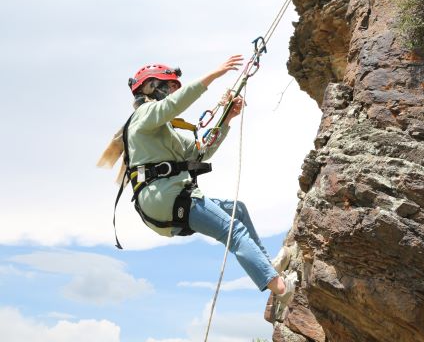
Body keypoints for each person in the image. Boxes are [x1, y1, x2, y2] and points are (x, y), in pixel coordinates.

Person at [98, 55, 296, 309]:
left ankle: (267, 266)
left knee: (238, 210)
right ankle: (281, 288)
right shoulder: (144, 115)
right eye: (168, 87)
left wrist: (226, 119)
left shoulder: (160, 132)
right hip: (166, 196)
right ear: (151, 88)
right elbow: (175, 105)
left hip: (162, 202)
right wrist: (213, 75)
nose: (171, 93)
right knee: (233, 231)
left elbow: (199, 152)